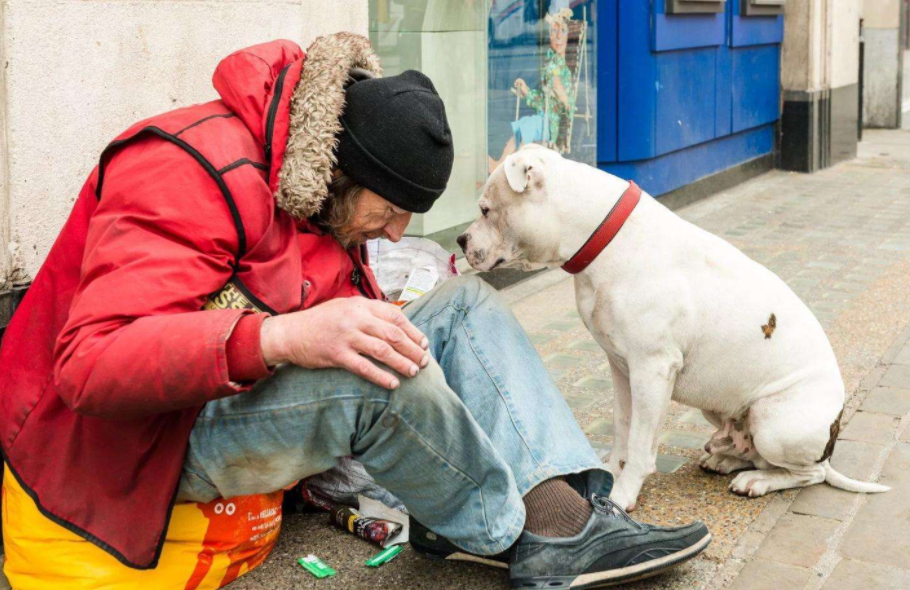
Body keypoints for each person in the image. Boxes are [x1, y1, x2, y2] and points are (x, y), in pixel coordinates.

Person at [0, 33, 709, 588]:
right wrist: (279, 337)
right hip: (121, 441)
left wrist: (353, 330)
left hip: (217, 398)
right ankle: (513, 532)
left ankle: (571, 513)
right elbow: (90, 367)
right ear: (342, 166)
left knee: (459, 306)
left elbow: (347, 315)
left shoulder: (317, 189)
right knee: (372, 375)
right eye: (392, 210)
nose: (399, 233)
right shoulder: (188, 170)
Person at [489, 6, 577, 173]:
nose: (558, 36)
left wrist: (562, 95)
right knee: (522, 127)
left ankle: (505, 168)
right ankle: (502, 165)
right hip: (544, 118)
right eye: (554, 31)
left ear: (569, 36)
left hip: (552, 124)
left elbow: (570, 106)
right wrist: (527, 92)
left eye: (562, 31)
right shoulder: (551, 64)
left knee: (526, 128)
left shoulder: (563, 70)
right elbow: (544, 101)